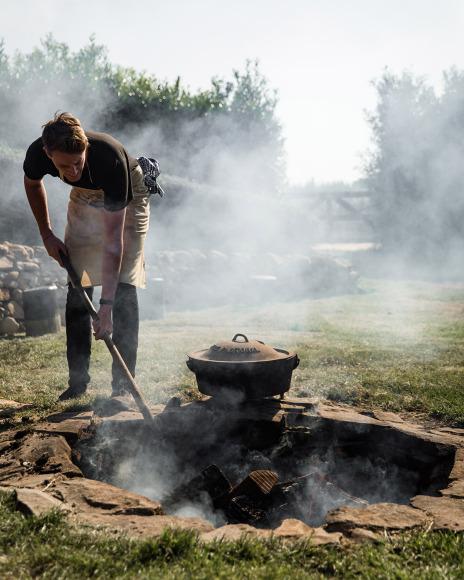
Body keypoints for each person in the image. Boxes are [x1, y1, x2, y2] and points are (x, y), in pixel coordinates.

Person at [23, 112, 151, 400]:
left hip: (129, 188)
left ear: (86, 150)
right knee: (78, 285)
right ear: (48, 154)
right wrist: (47, 235)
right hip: (85, 195)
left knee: (124, 286)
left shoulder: (110, 160)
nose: (71, 171)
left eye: (78, 162)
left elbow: (113, 243)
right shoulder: (37, 154)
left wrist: (106, 306)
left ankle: (122, 387)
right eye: (63, 166)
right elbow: (32, 184)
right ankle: (78, 382)